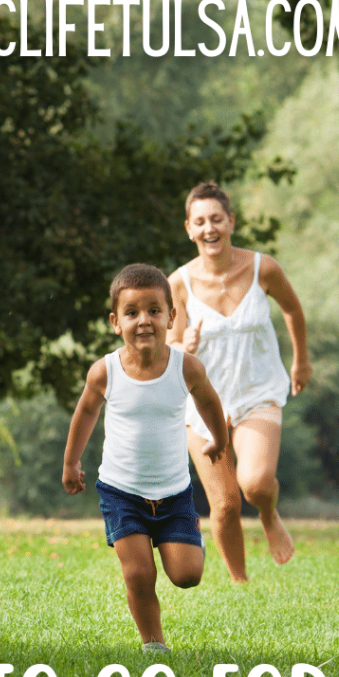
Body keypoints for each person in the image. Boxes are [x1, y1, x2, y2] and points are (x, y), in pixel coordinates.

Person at [63, 264, 229, 653]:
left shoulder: (185, 367)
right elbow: (86, 413)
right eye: (132, 312)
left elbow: (208, 401)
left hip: (173, 493)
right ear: (115, 322)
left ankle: (191, 541)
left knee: (187, 576)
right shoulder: (105, 371)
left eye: (154, 310)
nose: (144, 321)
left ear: (172, 317)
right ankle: (153, 646)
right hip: (122, 491)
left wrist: (220, 439)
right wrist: (72, 462)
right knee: (138, 573)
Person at [169, 182, 311, 582]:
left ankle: (268, 514)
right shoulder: (178, 283)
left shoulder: (261, 267)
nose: (209, 228)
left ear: (231, 222)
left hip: (257, 392)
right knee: (226, 503)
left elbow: (293, 310)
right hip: (201, 405)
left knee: (255, 483)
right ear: (189, 229)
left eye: (216, 219)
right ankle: (240, 585)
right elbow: (167, 344)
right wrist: (183, 341)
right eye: (200, 222)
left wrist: (300, 363)